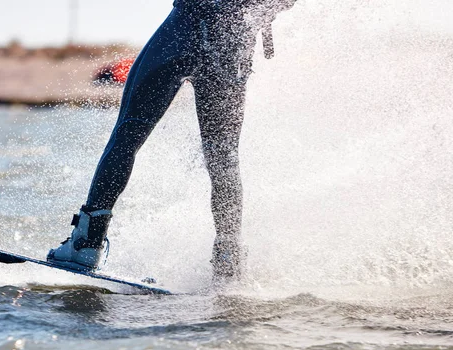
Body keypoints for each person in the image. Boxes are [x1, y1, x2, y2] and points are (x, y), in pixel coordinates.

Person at [48, 0, 298, 280]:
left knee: (127, 136)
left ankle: (86, 244)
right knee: (223, 157)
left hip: (185, 29)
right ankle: (228, 261)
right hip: (233, 42)